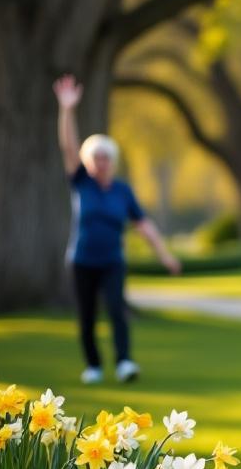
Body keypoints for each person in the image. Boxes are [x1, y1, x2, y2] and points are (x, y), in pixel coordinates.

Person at [53, 75, 181, 384]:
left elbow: (143, 224)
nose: (100, 162)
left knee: (116, 309)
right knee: (86, 317)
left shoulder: (122, 191)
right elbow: (68, 146)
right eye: (95, 157)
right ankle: (93, 366)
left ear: (112, 161)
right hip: (82, 260)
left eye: (105, 157)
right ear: (88, 160)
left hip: (112, 260)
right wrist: (67, 109)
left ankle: (124, 362)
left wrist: (164, 254)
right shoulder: (81, 182)